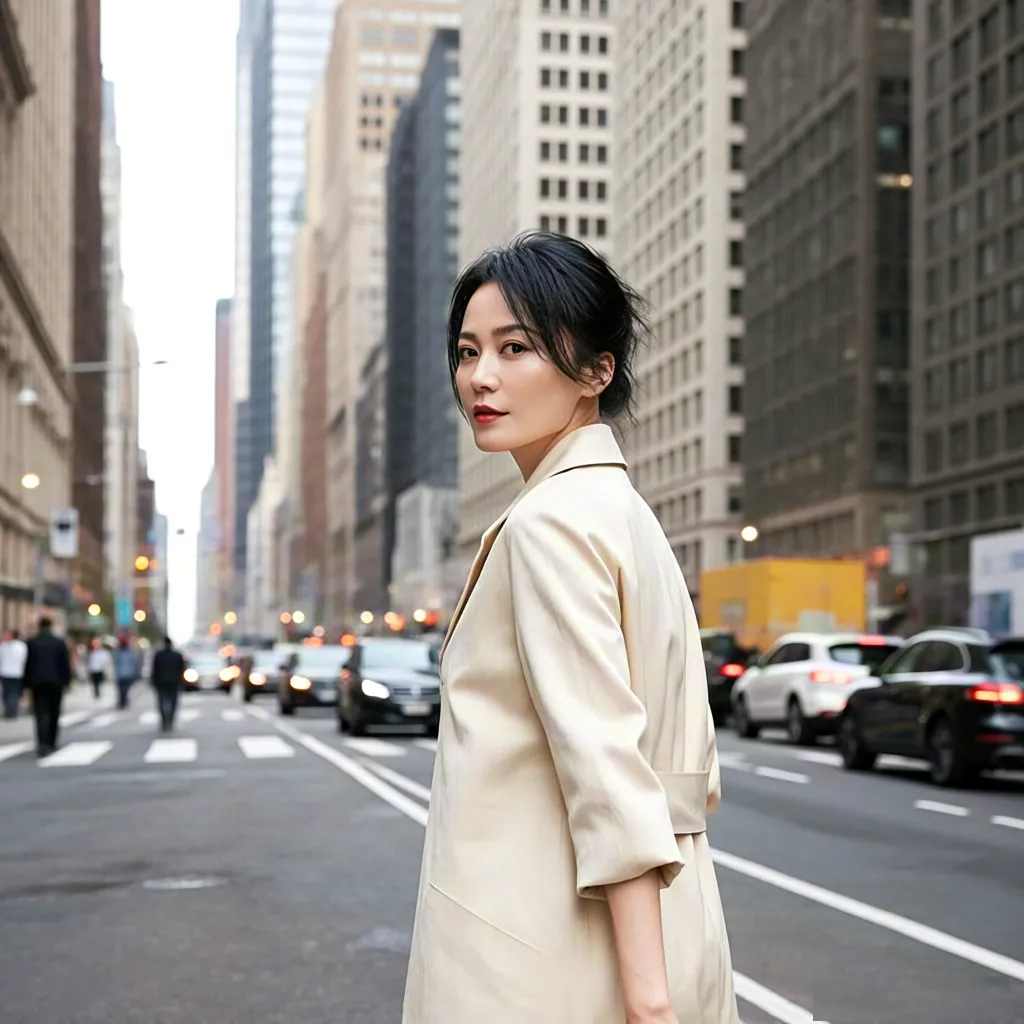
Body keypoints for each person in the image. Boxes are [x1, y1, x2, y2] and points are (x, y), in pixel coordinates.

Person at [402, 233, 740, 1024]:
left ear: (596, 370)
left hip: (545, 953)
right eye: (467, 351)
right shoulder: (623, 513)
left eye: (514, 347)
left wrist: (648, 1003)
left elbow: (605, 768)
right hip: (675, 917)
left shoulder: (549, 524)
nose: (480, 377)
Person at [22, 617, 72, 757]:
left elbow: (28, 664)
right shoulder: (59, 643)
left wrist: (25, 684)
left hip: (37, 683)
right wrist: (67, 682)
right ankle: (51, 741)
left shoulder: (31, 643)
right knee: (54, 713)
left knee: (40, 714)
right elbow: (64, 664)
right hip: (56, 682)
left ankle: (42, 743)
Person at [150, 636, 185, 731]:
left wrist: (153, 681)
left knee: (162, 702)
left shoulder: (159, 655)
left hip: (162, 682)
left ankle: (165, 720)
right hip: (173, 682)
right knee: (173, 702)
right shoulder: (177, 655)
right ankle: (170, 720)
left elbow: (154, 670)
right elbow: (182, 669)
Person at [0, 628, 28, 719]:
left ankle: (11, 711)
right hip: (10, 672)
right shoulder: (5, 646)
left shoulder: (8, 646)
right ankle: (11, 711)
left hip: (12, 672)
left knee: (11, 693)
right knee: (10, 693)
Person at [112, 635, 140, 710]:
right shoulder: (118, 653)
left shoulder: (129, 653)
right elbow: (115, 663)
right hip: (121, 675)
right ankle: (122, 701)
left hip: (127, 675)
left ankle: (123, 701)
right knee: (121, 690)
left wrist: (136, 674)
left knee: (125, 690)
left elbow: (134, 664)